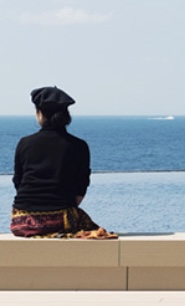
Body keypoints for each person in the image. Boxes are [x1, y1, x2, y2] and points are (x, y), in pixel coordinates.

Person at [10, 86, 116, 239]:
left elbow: (18, 182)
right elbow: (81, 187)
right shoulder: (78, 145)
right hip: (61, 220)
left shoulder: (24, 143)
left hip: (21, 221)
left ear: (40, 114)